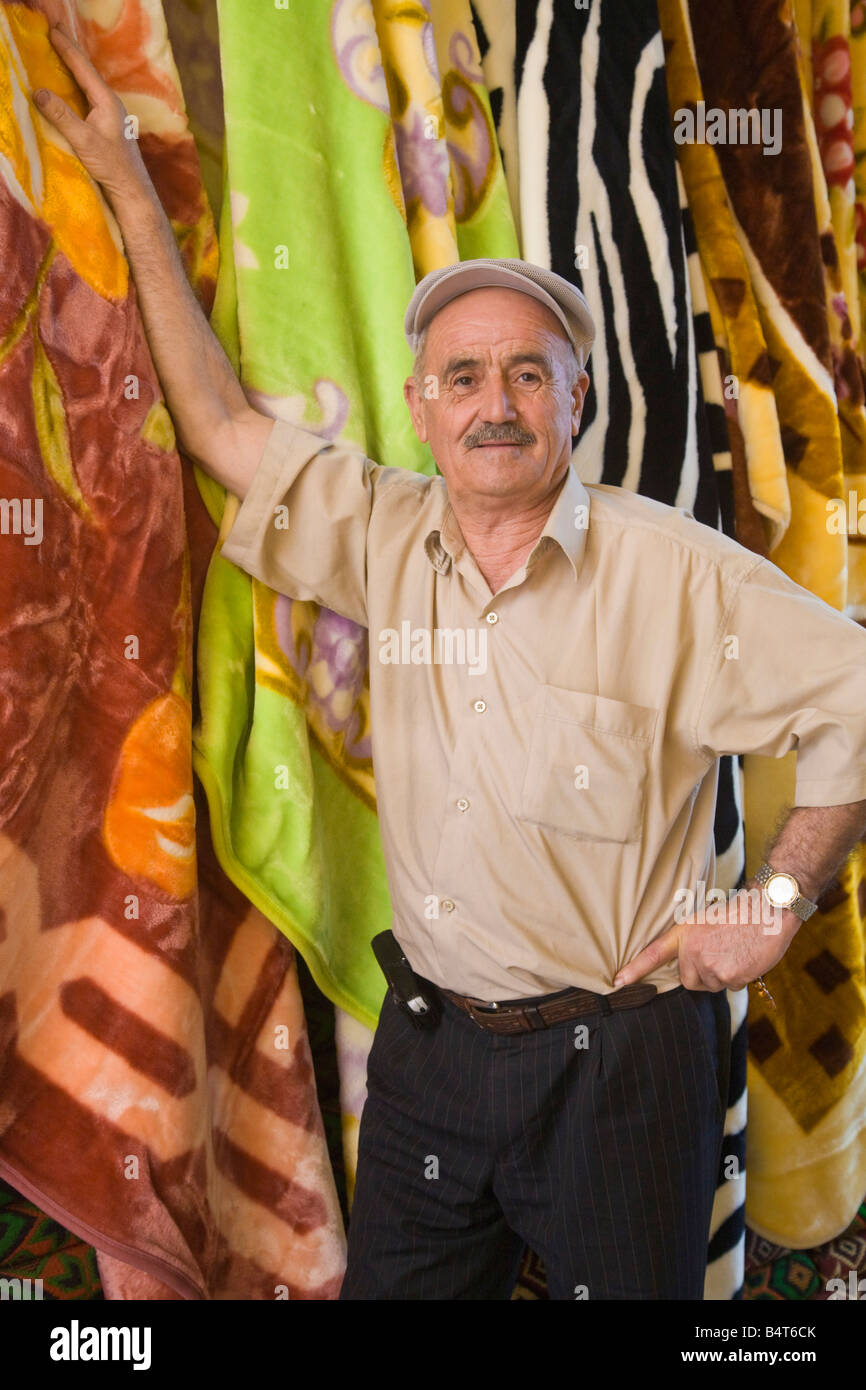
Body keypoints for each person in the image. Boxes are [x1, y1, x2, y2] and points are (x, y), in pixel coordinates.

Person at [35, 22, 866, 1301]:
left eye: (527, 376)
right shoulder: (377, 532)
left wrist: (773, 903)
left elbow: (852, 698)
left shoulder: (675, 572)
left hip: (619, 1063)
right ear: (422, 406)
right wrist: (129, 182)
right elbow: (209, 421)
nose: (495, 402)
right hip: (433, 1058)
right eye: (463, 375)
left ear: (572, 403)